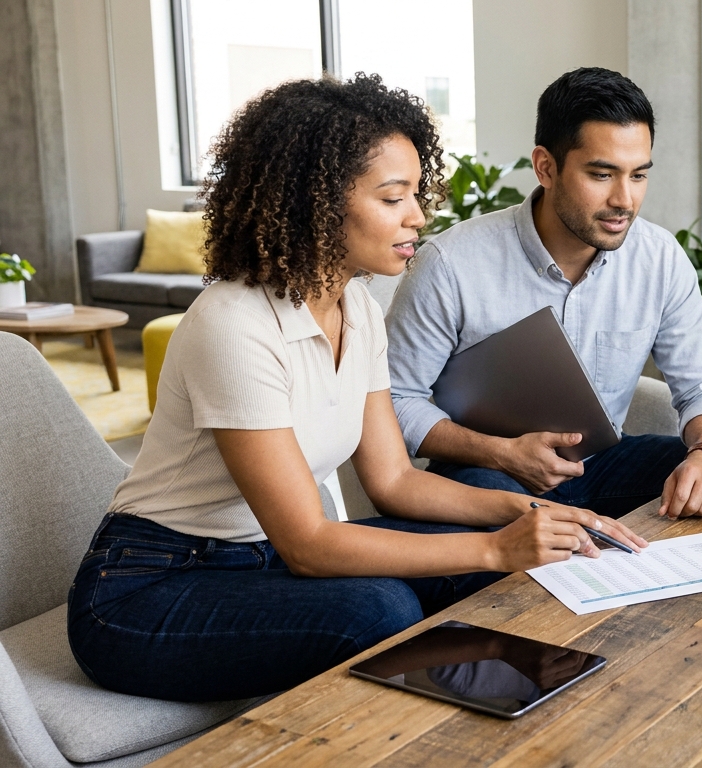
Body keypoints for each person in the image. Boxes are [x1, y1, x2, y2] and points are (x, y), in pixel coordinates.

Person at [66, 74, 645, 703]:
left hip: (262, 561)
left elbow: (394, 480)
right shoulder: (232, 325)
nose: (419, 217)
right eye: (393, 198)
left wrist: (527, 511)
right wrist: (495, 547)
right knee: (380, 610)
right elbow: (309, 544)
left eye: (416, 194)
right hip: (147, 588)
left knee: (477, 574)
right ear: (313, 202)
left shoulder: (357, 308)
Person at [387, 67, 702, 520]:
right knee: (507, 515)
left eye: (638, 176)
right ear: (546, 167)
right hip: (488, 471)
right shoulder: (451, 263)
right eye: (602, 174)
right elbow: (394, 400)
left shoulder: (658, 257)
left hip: (602, 468)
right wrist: (500, 452)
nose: (625, 200)